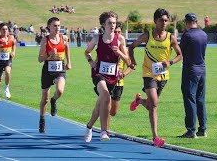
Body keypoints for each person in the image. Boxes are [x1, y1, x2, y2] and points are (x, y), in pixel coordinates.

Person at [128, 8, 182, 147]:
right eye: (161, 20)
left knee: (152, 105)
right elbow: (131, 47)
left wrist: (170, 62)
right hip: (148, 74)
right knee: (155, 104)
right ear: (155, 21)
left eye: (166, 20)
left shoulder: (171, 38)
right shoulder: (147, 36)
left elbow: (180, 55)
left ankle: (139, 100)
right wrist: (132, 61)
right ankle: (155, 137)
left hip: (163, 75)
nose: (164, 23)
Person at [83, 11, 130, 142]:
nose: (112, 25)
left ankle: (89, 126)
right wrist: (91, 62)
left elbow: (128, 61)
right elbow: (87, 52)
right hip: (98, 73)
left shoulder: (120, 39)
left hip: (112, 77)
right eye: (110, 23)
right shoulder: (97, 38)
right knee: (106, 96)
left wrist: (119, 52)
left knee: (99, 106)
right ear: (104, 24)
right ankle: (104, 131)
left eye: (114, 23)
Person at [37, 17, 71, 133]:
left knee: (60, 90)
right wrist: (49, 54)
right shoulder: (45, 40)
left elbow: (66, 48)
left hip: (60, 68)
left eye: (59, 25)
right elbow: (40, 59)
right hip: (47, 69)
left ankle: (54, 100)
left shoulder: (64, 38)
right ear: (49, 27)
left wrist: (69, 61)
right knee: (44, 99)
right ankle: (42, 119)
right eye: (55, 26)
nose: (57, 28)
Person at [178, 13, 208, 138]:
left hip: (190, 70)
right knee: (200, 99)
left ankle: (191, 130)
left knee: (190, 99)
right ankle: (202, 129)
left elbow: (180, 52)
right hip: (202, 69)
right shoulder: (204, 34)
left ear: (187, 22)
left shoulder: (187, 35)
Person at [0, 22, 17, 102]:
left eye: (6, 29)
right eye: (3, 29)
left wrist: (13, 52)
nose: (5, 31)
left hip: (8, 59)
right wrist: (1, 45)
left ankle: (6, 88)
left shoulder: (11, 37)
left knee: (8, 72)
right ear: (0, 30)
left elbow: (14, 44)